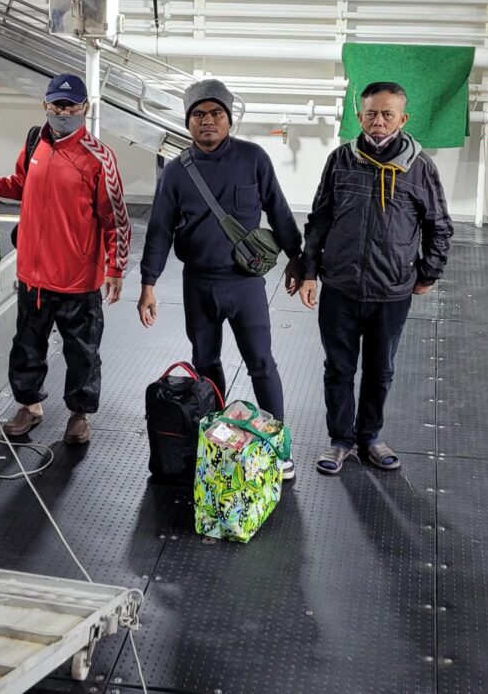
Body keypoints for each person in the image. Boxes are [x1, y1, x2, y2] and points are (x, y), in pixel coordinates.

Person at [138, 78, 301, 480]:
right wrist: (147, 283)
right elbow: (159, 230)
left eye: (216, 114)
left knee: (261, 363)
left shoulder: (253, 159)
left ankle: (276, 447)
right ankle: (217, 443)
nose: (207, 121)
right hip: (198, 285)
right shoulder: (176, 173)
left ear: (229, 119)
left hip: (245, 285)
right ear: (188, 121)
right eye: (198, 115)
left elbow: (279, 211)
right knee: (205, 364)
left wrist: (299, 260)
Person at [0, 73, 131, 446]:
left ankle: (78, 415)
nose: (63, 112)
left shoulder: (100, 158)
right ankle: (29, 406)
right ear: (45, 105)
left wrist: (115, 267)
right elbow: (20, 185)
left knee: (82, 352)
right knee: (27, 346)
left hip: (78, 280)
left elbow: (114, 218)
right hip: (33, 276)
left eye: (71, 106)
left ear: (85, 108)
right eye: (57, 105)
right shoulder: (35, 141)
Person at [294, 81, 453, 475]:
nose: (378, 121)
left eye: (387, 114)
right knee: (339, 368)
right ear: (359, 114)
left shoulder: (420, 168)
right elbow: (319, 220)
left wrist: (427, 273)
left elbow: (439, 227)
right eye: (370, 113)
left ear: (403, 117)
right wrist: (309, 272)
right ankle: (340, 441)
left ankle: (370, 437)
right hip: (340, 287)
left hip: (391, 291)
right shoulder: (340, 160)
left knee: (380, 370)